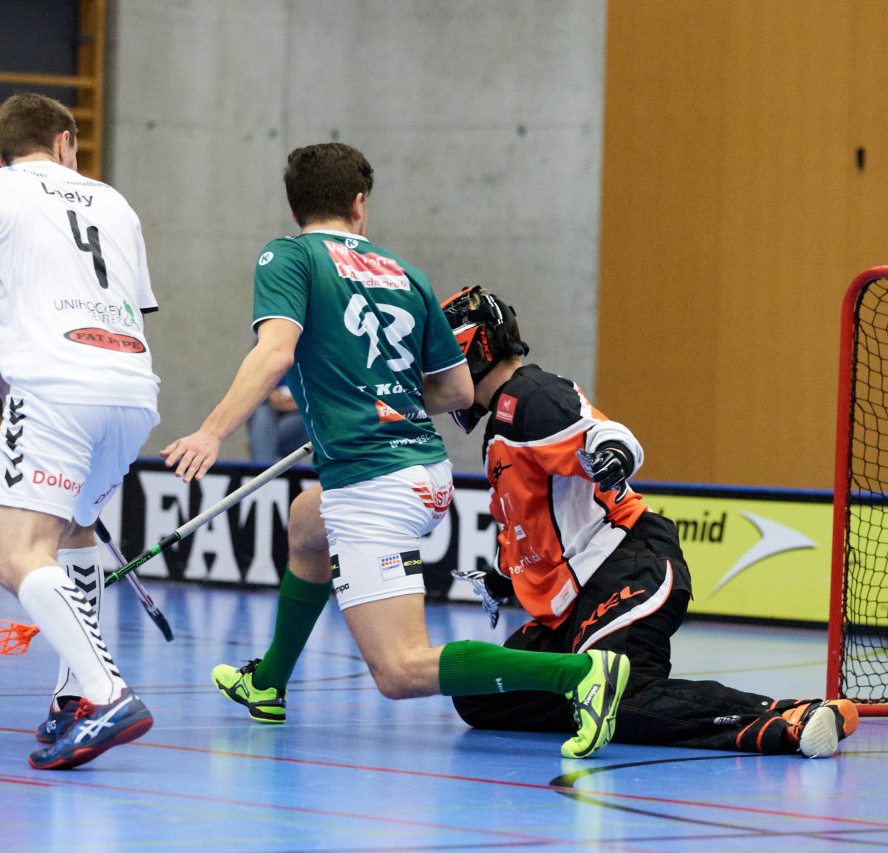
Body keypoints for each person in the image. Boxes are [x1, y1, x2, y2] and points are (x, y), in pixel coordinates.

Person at [160, 143, 630, 759]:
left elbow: (275, 352)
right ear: (359, 204)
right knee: (307, 522)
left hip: (373, 488)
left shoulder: (288, 257)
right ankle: (269, 681)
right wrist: (385, 398)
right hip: (424, 471)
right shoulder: (407, 273)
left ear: (297, 204)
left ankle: (582, 676)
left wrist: (212, 431)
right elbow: (459, 390)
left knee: (400, 670)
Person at [441, 286, 859, 758]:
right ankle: (595, 703)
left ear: (475, 349)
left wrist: (613, 455)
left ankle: (791, 717)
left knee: (623, 695)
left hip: (627, 564)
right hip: (574, 600)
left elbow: (604, 432)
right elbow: (528, 524)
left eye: (444, 359)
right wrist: (502, 579)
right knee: (483, 693)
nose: (437, 377)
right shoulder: (500, 427)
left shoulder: (529, 396)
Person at [0, 92, 158, 770]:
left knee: (15, 555)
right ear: (66, 141)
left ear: (2, 152)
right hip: (131, 391)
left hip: (53, 384)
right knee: (72, 533)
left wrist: (12, 390)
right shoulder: (116, 203)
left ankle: (106, 689)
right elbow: (134, 308)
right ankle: (74, 698)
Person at [246, 378, 307, 463]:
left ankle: (262, 471)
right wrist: (270, 396)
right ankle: (262, 470)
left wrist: (302, 401)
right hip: (273, 415)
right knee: (260, 413)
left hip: (304, 416)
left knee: (264, 436)